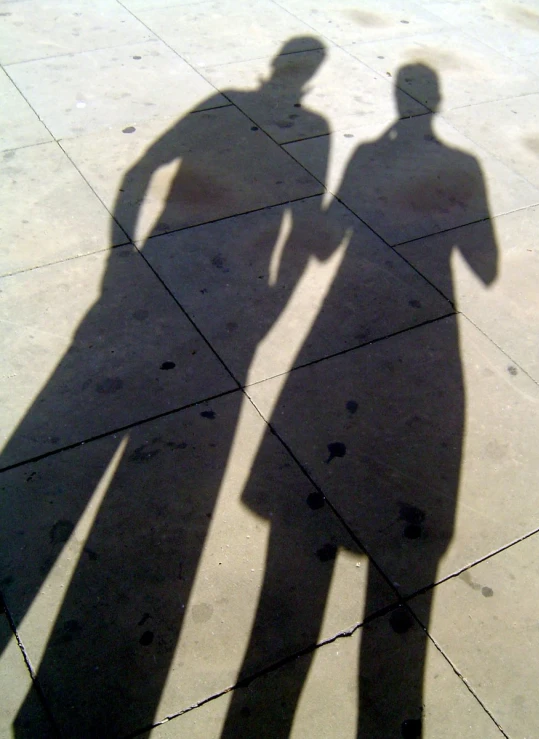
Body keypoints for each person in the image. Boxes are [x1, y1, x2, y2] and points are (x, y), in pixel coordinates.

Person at [2, 38, 334, 737]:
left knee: (40, 471)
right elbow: (309, 231)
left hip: (154, 281)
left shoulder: (228, 105)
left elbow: (140, 169)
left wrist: (121, 260)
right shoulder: (311, 129)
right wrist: (271, 307)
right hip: (230, 307)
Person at [219, 63, 498, 737]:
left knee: (283, 593)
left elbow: (327, 238)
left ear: (397, 101)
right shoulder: (462, 165)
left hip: (342, 319)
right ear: (434, 103)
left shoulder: (370, 154)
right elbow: (485, 265)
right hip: (429, 339)